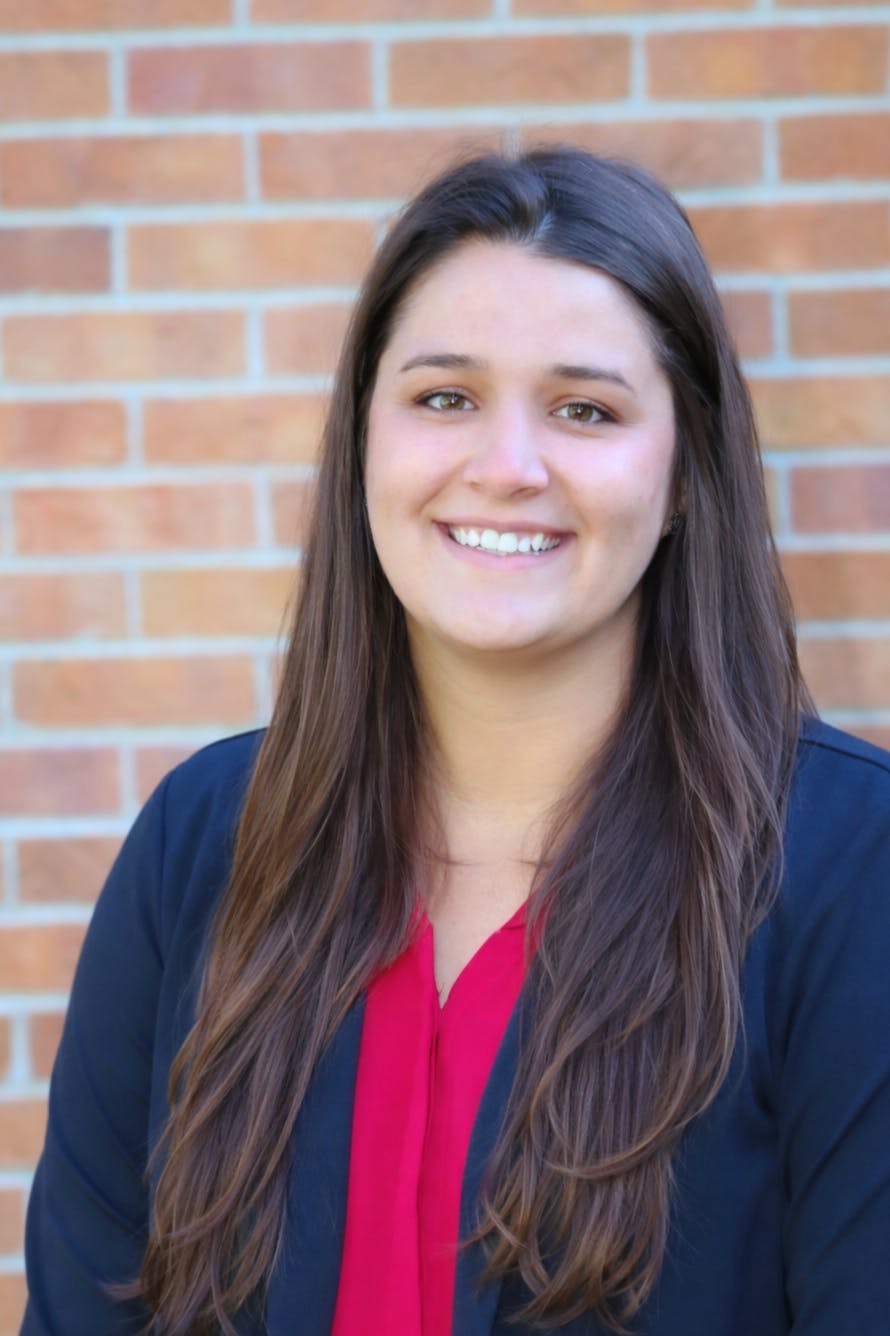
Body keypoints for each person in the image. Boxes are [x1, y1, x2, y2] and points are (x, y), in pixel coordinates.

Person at [21, 147, 890, 1336]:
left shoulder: (851, 872)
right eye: (444, 397)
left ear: (685, 469)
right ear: (363, 439)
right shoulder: (201, 845)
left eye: (583, 409)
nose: (506, 468)